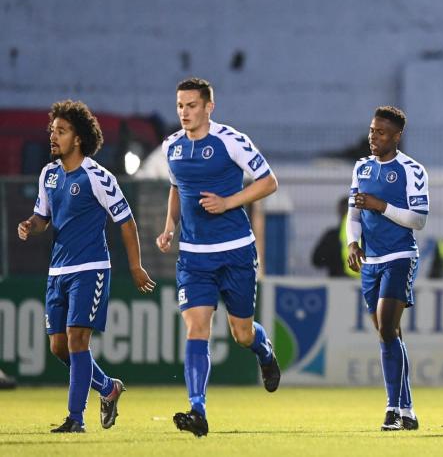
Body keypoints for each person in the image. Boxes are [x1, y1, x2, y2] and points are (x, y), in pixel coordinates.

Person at [18, 100, 155, 432]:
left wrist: (136, 266)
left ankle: (75, 419)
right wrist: (30, 225)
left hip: (90, 268)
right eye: (53, 131)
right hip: (58, 271)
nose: (54, 137)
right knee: (59, 347)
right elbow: (43, 217)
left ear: (78, 139)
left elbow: (126, 222)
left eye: (61, 132)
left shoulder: (97, 176)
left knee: (78, 341)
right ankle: (108, 388)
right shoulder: (48, 174)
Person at [156, 78, 280, 437]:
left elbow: (269, 182)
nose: (184, 112)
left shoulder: (230, 140)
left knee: (241, 334)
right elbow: (176, 188)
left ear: (209, 106)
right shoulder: (172, 147)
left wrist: (228, 202)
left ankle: (265, 352)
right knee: (197, 328)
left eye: (191, 105)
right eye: (180, 105)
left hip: (236, 252)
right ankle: (197, 409)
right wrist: (169, 227)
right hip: (194, 257)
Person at [346, 106, 428, 431]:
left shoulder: (412, 170)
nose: (373, 137)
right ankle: (407, 409)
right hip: (372, 261)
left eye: (381, 132)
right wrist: (353, 244)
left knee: (386, 328)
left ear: (396, 136)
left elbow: (419, 219)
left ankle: (392, 410)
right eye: (371, 130)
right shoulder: (361, 168)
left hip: (400, 256)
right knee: (388, 336)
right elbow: (353, 217)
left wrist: (381, 206)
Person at [311, 196, 358, 277]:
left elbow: (317, 260)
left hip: (336, 283)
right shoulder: (367, 236)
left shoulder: (332, 237)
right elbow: (317, 260)